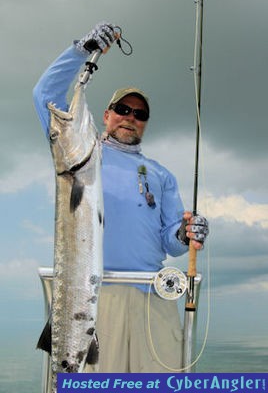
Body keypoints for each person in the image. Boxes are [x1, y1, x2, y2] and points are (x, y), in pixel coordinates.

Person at [33, 22, 209, 373]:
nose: (131, 118)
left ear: (145, 123)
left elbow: (171, 242)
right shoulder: (81, 151)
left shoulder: (161, 175)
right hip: (97, 294)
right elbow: (45, 96)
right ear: (107, 115)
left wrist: (184, 234)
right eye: (123, 110)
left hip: (153, 296)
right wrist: (80, 51)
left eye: (140, 114)